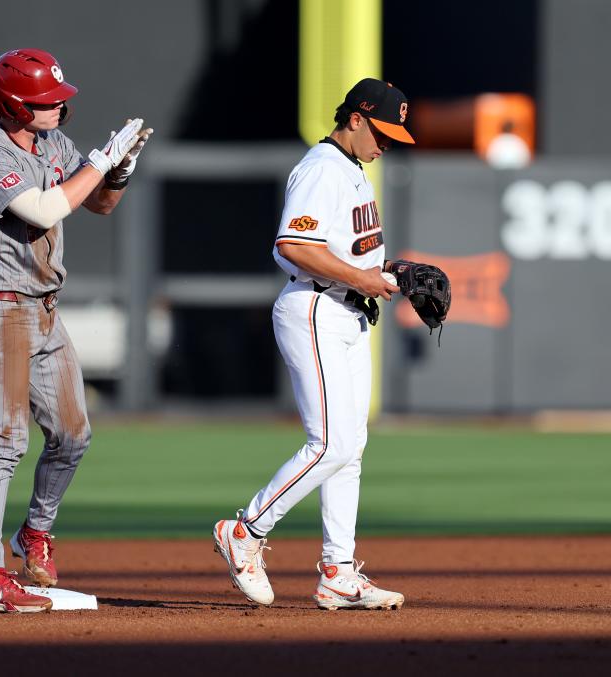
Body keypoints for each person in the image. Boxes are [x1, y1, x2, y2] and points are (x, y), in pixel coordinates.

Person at [0, 48, 151, 613]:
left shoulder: (54, 145)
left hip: (43, 310)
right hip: (0, 311)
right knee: (4, 442)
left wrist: (119, 166)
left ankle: (33, 532)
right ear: (14, 106)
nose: (58, 111)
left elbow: (100, 205)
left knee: (73, 434)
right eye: (46, 103)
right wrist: (99, 161)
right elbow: (44, 210)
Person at [213, 78, 414, 610]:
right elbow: (294, 244)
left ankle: (338, 572)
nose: (386, 143)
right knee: (328, 443)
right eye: (382, 131)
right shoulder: (322, 167)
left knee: (351, 450)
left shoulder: (352, 169)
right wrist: (363, 278)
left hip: (347, 312)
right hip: (315, 309)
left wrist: (383, 271)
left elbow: (344, 250)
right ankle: (246, 531)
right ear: (354, 118)